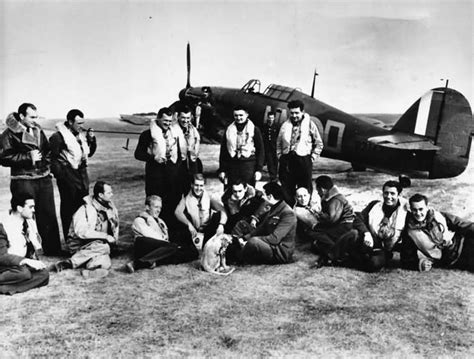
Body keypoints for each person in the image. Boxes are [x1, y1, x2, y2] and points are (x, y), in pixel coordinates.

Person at [0, 104, 61, 255]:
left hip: (43, 178)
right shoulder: (8, 134)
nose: (35, 120)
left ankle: (53, 250)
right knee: (25, 216)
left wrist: (46, 168)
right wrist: (28, 157)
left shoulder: (38, 130)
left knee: (48, 214)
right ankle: (26, 251)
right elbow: (3, 157)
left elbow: (47, 151)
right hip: (23, 180)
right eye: (32, 117)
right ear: (21, 116)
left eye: (36, 117)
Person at [51, 181, 119, 278]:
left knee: (105, 263)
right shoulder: (85, 209)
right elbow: (82, 232)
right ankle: (69, 263)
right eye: (109, 193)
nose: (112, 195)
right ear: (100, 195)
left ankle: (90, 270)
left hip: (97, 244)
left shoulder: (109, 207)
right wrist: (106, 236)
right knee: (104, 248)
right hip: (79, 244)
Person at [134, 107, 187, 225]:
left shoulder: (174, 134)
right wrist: (153, 157)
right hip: (155, 179)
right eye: (165, 121)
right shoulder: (147, 135)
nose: (168, 124)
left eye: (170, 121)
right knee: (155, 207)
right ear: (158, 119)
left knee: (172, 207)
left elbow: (179, 155)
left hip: (172, 179)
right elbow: (138, 154)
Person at [49, 109, 97, 238]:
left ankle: (81, 237)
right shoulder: (58, 137)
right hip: (67, 175)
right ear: (70, 122)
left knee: (82, 206)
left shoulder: (80, 136)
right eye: (78, 123)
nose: (82, 126)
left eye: (82, 123)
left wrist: (91, 140)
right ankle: (70, 240)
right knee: (69, 207)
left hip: (81, 174)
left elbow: (88, 154)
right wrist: (61, 174)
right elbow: (50, 158)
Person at [400, 194, 474, 272]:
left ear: (427, 207)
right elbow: (406, 259)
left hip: (463, 243)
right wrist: (420, 263)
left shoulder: (438, 216)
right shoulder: (410, 232)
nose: (418, 213)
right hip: (451, 258)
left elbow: (461, 223)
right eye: (414, 210)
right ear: (411, 209)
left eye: (421, 209)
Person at [124, 195, 198, 273]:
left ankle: (152, 262)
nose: (159, 210)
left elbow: (165, 237)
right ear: (147, 207)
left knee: (192, 253)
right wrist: (173, 245)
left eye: (160, 208)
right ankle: (137, 263)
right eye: (156, 207)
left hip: (160, 248)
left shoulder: (160, 221)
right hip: (144, 247)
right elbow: (153, 236)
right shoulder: (140, 220)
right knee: (173, 247)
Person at [353, 180, 409, 272]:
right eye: (386, 193)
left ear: (398, 195)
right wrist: (367, 233)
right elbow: (358, 218)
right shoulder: (374, 205)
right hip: (371, 241)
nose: (388, 197)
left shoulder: (405, 210)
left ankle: (379, 257)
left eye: (392, 194)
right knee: (353, 235)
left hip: (386, 247)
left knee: (373, 264)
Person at [0, 193, 49, 295]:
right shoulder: (3, 225)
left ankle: (5, 287)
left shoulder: (28, 222)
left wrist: (31, 261)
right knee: (24, 273)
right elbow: (1, 256)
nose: (34, 210)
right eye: (31, 207)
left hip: (18, 265)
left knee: (43, 274)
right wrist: (25, 261)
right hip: (5, 264)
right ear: (19, 208)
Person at [236, 182, 297, 265]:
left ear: (270, 196)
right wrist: (245, 238)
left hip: (279, 251)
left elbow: (275, 239)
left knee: (254, 242)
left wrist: (249, 241)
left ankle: (237, 256)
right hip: (269, 243)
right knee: (242, 224)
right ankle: (237, 247)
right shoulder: (274, 207)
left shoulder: (287, 213)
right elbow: (262, 228)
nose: (262, 197)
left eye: (264, 194)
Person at [276, 100, 323, 205]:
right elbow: (278, 143)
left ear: (302, 112)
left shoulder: (310, 124)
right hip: (287, 161)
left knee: (305, 190)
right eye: (292, 113)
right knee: (286, 189)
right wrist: (280, 156)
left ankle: (305, 213)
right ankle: (290, 210)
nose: (294, 115)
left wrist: (312, 158)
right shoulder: (285, 125)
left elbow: (319, 143)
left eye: (297, 113)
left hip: (303, 160)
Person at [307, 175, 356, 268]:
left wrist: (319, 214)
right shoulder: (331, 197)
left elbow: (332, 220)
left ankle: (333, 249)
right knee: (316, 233)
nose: (318, 193)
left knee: (315, 233)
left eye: (318, 190)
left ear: (322, 189)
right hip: (341, 224)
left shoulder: (335, 199)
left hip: (345, 225)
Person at [175, 174, 227, 250]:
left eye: (201, 186)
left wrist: (221, 224)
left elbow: (222, 210)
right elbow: (177, 212)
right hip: (194, 230)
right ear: (192, 185)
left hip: (207, 230)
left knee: (218, 215)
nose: (199, 188)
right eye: (196, 185)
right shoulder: (186, 198)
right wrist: (189, 225)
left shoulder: (208, 196)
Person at [218, 106, 264, 187]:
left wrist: (258, 170)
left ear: (247, 115)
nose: (238, 118)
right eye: (236, 115)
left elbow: (260, 151)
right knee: (231, 191)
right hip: (232, 166)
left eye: (241, 115)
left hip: (248, 166)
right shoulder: (229, 130)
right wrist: (222, 170)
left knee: (249, 191)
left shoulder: (254, 129)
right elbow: (224, 151)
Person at [262, 111, 279, 181]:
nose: (270, 119)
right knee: (270, 162)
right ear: (267, 118)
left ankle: (275, 174)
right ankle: (272, 176)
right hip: (268, 147)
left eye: (272, 118)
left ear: (274, 118)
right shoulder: (265, 126)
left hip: (275, 147)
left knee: (275, 161)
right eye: (269, 118)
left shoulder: (277, 127)